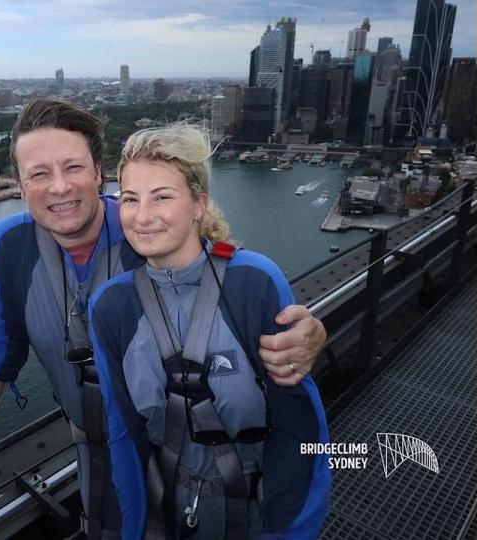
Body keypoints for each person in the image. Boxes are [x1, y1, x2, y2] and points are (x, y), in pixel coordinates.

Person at [0, 99, 328, 536]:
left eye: (73, 167)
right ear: (19, 182)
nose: (59, 187)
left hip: (170, 451)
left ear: (99, 173)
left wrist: (310, 330)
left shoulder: (144, 230)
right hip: (97, 448)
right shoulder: (8, 247)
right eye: (39, 173)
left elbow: (221, 275)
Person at [89, 125, 331, 539]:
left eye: (162, 196)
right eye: (130, 199)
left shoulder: (252, 282)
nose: (142, 215)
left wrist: (292, 531)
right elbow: (123, 432)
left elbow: (300, 422)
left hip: (257, 516)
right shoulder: (112, 306)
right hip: (170, 517)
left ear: (199, 204)